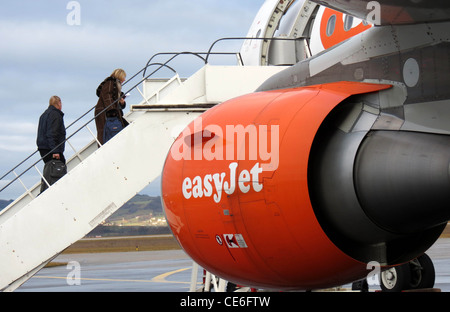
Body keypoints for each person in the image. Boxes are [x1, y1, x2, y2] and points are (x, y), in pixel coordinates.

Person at [36, 95, 67, 192]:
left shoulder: (44, 115)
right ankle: (54, 190)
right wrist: (55, 150)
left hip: (43, 148)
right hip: (51, 148)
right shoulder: (55, 115)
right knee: (59, 167)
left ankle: (46, 188)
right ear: (59, 103)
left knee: (50, 169)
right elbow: (52, 133)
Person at [95, 68, 128, 145]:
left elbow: (110, 98)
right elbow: (108, 97)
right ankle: (103, 147)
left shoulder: (114, 85)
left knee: (106, 131)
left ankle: (105, 146)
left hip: (107, 111)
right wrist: (112, 111)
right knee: (104, 131)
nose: (125, 79)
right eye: (124, 77)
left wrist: (121, 102)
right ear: (120, 76)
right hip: (105, 112)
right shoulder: (110, 83)